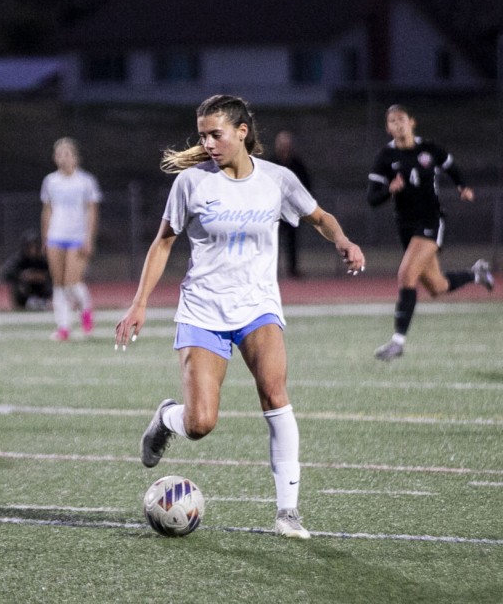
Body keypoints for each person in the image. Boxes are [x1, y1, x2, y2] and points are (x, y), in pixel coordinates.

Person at [115, 95, 365, 539]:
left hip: (258, 307)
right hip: (203, 310)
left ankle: (288, 512)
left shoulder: (276, 179)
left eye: (216, 134)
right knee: (200, 424)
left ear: (242, 131)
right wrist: (139, 303)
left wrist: (342, 241)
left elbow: (319, 216)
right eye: (202, 136)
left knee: (275, 394)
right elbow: (163, 243)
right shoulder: (191, 183)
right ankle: (167, 418)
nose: (207, 144)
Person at [367, 104, 494, 361]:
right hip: (405, 226)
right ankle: (476, 274)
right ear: (388, 128)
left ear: (412, 122)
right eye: (392, 121)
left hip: (431, 221)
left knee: (406, 275)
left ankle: (397, 342)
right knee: (437, 286)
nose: (398, 124)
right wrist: (390, 189)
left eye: (401, 119)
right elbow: (372, 198)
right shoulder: (385, 156)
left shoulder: (429, 149)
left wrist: (462, 186)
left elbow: (451, 166)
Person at [40, 137, 102, 341]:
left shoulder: (85, 181)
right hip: (56, 236)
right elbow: (47, 210)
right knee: (58, 284)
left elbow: (92, 212)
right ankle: (63, 327)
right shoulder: (50, 181)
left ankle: (86, 314)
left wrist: (89, 239)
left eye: (67, 154)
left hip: (77, 237)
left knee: (72, 283)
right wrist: (45, 237)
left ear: (75, 157)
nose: (63, 158)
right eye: (59, 154)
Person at [270, 130, 312, 278]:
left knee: (292, 241)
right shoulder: (271, 163)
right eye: (282, 144)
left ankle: (293, 270)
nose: (285, 147)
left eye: (287, 144)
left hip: (292, 210)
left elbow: (305, 186)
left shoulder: (297, 165)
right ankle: (270, 270)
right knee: (272, 240)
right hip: (274, 210)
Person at [2, 229, 52, 311]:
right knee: (19, 287)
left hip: (42, 291)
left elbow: (54, 275)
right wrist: (23, 276)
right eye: (30, 247)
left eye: (35, 247)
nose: (33, 250)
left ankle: (47, 302)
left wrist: (42, 276)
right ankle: (22, 305)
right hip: (25, 291)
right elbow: (6, 274)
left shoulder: (43, 260)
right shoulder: (18, 259)